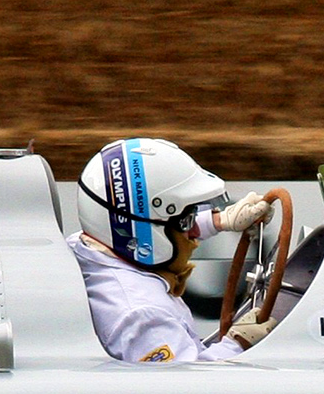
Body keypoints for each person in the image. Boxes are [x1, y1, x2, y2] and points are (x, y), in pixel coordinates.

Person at [71, 138, 274, 363]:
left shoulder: (88, 247)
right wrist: (238, 343)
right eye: (187, 221)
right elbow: (189, 388)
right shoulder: (144, 317)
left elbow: (164, 228)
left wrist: (221, 221)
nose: (193, 233)